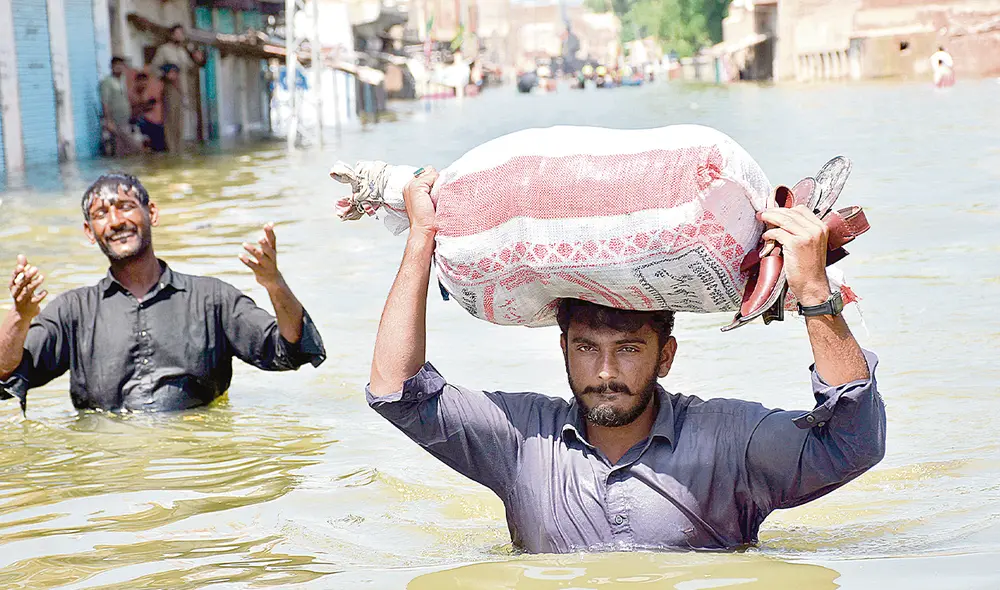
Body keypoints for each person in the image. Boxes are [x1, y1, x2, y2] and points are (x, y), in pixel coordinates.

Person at [365, 168, 886, 553]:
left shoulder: (727, 442)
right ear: (563, 349)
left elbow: (853, 443)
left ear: (667, 356)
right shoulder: (521, 441)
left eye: (629, 349)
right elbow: (395, 389)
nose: (605, 372)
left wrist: (815, 292)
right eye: (587, 348)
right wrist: (420, 237)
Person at [0, 173, 325, 413]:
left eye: (126, 207)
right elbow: (6, 375)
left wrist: (274, 283)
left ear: (151, 213)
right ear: (89, 232)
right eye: (101, 214)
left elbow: (290, 349)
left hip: (198, 461)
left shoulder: (212, 300)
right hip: (107, 469)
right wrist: (20, 316)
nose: (115, 221)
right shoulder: (73, 312)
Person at [151, 25, 206, 149]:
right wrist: (166, 75)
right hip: (170, 88)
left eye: (182, 33)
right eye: (178, 33)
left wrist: (198, 60)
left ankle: (179, 149)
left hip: (184, 89)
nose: (180, 36)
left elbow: (190, 68)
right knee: (170, 121)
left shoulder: (182, 52)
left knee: (181, 122)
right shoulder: (164, 50)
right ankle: (171, 150)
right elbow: (154, 68)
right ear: (172, 35)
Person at [99, 57, 143, 156]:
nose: (119, 68)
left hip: (124, 120)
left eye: (121, 66)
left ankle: (121, 169)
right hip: (115, 121)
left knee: (121, 149)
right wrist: (108, 121)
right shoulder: (107, 82)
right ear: (111, 67)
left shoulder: (122, 81)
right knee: (136, 148)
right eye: (116, 66)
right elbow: (104, 102)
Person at [131, 72, 167, 152]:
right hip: (139, 123)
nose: (143, 83)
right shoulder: (132, 94)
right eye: (140, 81)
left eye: (144, 81)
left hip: (152, 122)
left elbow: (151, 105)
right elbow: (134, 111)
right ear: (136, 82)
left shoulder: (149, 92)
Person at [159, 64, 184, 153]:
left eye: (175, 72)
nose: (174, 75)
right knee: (170, 126)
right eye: (171, 72)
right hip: (169, 110)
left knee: (179, 127)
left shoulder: (178, 85)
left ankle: (178, 149)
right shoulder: (166, 87)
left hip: (177, 108)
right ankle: (172, 150)